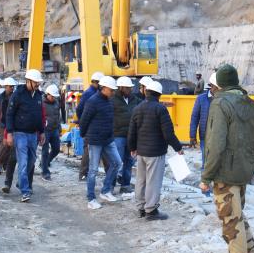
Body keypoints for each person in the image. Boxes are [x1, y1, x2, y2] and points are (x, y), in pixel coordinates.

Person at [199, 64, 254, 253]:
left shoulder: (219, 104)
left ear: (219, 86)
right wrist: (251, 169)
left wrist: (206, 176)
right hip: (243, 170)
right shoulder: (251, 104)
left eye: (212, 87)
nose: (210, 90)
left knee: (230, 222)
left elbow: (216, 144)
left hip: (224, 173)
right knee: (237, 216)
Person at [128, 80, 184, 221]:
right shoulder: (160, 109)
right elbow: (168, 133)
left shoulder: (137, 108)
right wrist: (178, 147)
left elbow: (132, 131)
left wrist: (132, 147)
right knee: (153, 181)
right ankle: (151, 210)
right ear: (159, 95)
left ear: (146, 93)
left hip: (141, 152)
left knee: (141, 180)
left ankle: (140, 207)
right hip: (155, 152)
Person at [79, 76, 123, 210]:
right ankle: (91, 198)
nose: (113, 92)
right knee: (93, 170)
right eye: (111, 90)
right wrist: (84, 136)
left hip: (108, 139)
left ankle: (105, 191)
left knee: (117, 163)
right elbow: (84, 120)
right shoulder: (92, 102)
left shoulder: (108, 101)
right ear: (103, 88)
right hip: (95, 140)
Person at [4, 69, 44, 201]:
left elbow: (39, 115)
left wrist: (42, 132)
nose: (38, 84)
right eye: (36, 82)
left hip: (33, 135)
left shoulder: (38, 95)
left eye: (38, 82)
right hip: (20, 133)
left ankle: (21, 182)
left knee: (32, 161)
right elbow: (9, 114)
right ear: (29, 81)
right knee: (23, 163)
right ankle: (25, 191)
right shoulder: (18, 95)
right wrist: (9, 133)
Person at [112, 76, 140, 197]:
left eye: (130, 88)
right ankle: (111, 186)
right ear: (121, 88)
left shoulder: (134, 99)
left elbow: (145, 105)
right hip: (118, 135)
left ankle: (125, 185)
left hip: (131, 135)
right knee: (116, 161)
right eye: (128, 88)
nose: (130, 90)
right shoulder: (113, 100)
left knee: (129, 161)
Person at [76, 71, 105, 180]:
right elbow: (79, 109)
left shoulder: (92, 92)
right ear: (97, 83)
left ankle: (85, 173)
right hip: (90, 127)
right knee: (88, 151)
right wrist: (83, 122)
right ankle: (83, 174)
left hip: (93, 126)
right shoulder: (90, 93)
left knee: (89, 151)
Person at [190, 74, 218, 164]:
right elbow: (194, 117)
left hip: (219, 137)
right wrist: (192, 135)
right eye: (218, 87)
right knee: (206, 163)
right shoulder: (201, 99)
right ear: (212, 86)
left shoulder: (223, 99)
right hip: (205, 136)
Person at [0, 78, 16, 173]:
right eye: (10, 87)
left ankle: (5, 164)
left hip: (12, 124)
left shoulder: (15, 97)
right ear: (5, 86)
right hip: (2, 124)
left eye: (13, 87)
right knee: (4, 144)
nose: (12, 88)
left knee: (10, 146)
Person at [40, 84, 62, 181]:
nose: (53, 98)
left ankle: (45, 163)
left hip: (54, 129)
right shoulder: (41, 103)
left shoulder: (56, 102)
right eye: (52, 96)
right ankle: (45, 172)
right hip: (45, 131)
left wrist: (59, 127)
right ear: (47, 94)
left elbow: (58, 116)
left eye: (54, 96)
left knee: (56, 149)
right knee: (44, 151)